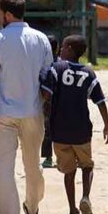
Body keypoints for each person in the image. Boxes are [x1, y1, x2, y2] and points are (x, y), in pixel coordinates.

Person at [0, 0, 53, 214]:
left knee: (2, 166)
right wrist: (39, 101)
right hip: (33, 111)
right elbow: (48, 77)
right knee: (33, 164)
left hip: (4, 111)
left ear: (7, 14)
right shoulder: (41, 38)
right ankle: (32, 209)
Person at [40, 35, 108, 214]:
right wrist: (107, 125)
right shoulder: (89, 73)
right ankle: (86, 197)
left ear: (70, 49)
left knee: (68, 172)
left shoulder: (56, 69)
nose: (60, 50)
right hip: (81, 130)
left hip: (59, 131)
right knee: (87, 166)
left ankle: (73, 212)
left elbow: (45, 95)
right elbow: (100, 101)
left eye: (62, 47)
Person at [41, 34, 60, 169]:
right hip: (59, 99)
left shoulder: (40, 61)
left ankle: (48, 157)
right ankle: (62, 155)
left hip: (45, 99)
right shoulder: (61, 62)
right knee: (60, 127)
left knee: (47, 128)